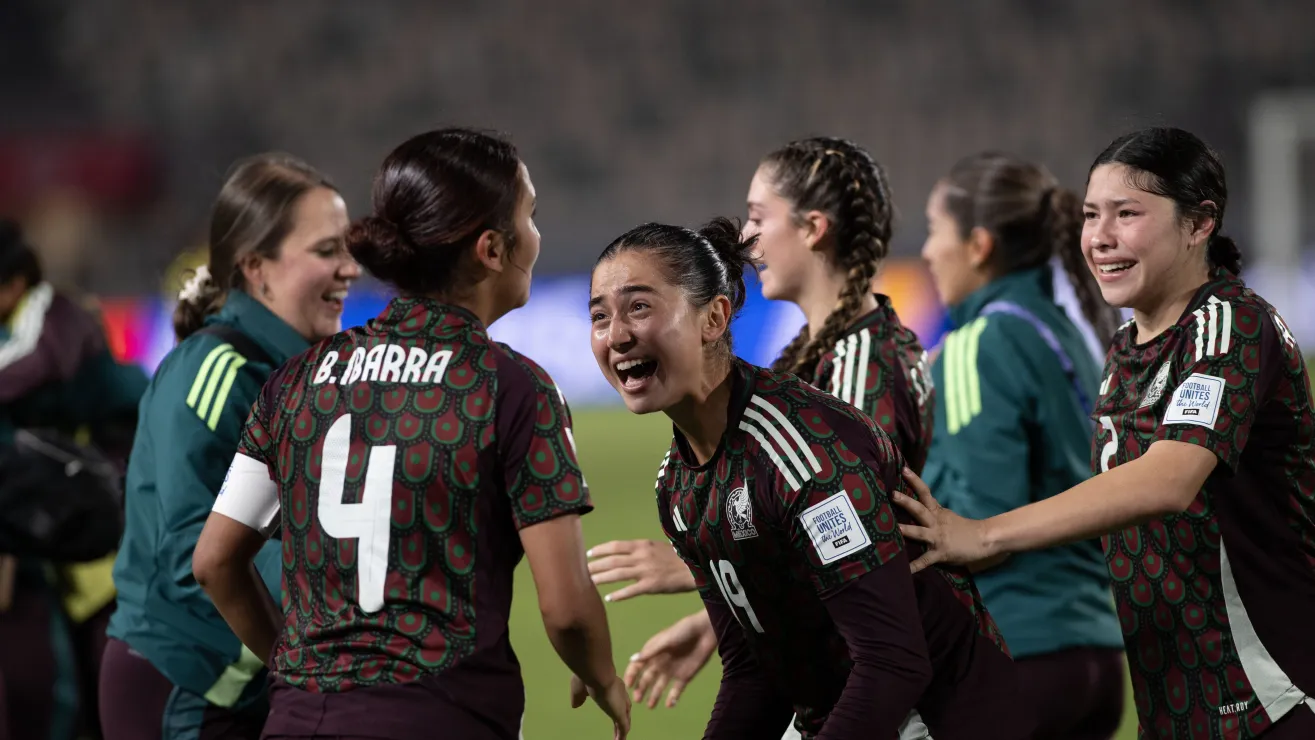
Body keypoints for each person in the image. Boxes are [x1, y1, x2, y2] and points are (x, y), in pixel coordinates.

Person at [192, 128, 630, 740]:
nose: (538, 234)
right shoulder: (511, 389)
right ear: (492, 250)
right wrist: (603, 675)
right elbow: (565, 609)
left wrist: (298, 673)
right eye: (531, 216)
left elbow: (214, 562)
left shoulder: (295, 381)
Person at [896, 127, 1315, 740]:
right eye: (1093, 215)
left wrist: (983, 534)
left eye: (1128, 214)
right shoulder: (1122, 351)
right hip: (1174, 710)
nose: (1101, 236)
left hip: (1271, 699)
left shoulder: (1234, 325)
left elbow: (1170, 480)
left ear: (1200, 223)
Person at [588, 216, 1023, 739]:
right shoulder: (678, 489)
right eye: (599, 316)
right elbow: (756, 672)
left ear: (714, 318)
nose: (616, 335)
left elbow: (893, 663)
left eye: (639, 307)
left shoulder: (805, 452)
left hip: (939, 716)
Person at [587, 138, 935, 711]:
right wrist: (714, 615)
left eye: (757, 218)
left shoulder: (854, 369)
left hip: (873, 691)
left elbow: (855, 547)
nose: (746, 240)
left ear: (813, 228)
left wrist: (700, 560)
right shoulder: (823, 353)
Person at [101, 154, 360, 740]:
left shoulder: (297, 374)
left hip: (240, 685)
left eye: (347, 249)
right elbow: (195, 550)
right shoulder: (218, 373)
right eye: (327, 251)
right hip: (187, 689)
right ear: (257, 268)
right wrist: (337, 586)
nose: (350, 268)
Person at [918, 152, 1127, 739]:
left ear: (979, 245)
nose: (928, 250)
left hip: (1013, 654)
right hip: (1095, 657)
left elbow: (979, 525)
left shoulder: (975, 345)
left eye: (936, 231)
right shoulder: (1074, 333)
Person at [0, 219, 147, 740]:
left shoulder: (56, 317)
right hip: (60, 536)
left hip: (106, 521)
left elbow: (31, 363)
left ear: (14, 283)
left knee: (100, 684)